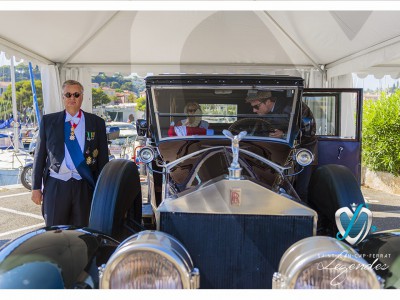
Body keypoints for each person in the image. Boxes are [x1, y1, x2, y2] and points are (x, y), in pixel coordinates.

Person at [31, 80, 109, 227]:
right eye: (68, 94)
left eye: (76, 94)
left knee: (84, 233)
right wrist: (36, 187)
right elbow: (39, 156)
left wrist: (103, 191)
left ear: (82, 97)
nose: (72, 98)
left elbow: (103, 159)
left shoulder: (97, 122)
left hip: (84, 185)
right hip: (56, 185)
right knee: (55, 232)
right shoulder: (49, 121)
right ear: (63, 97)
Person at [246, 90, 318, 203]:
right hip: (273, 151)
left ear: (269, 102)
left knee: (300, 188)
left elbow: (309, 131)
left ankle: (301, 212)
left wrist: (284, 135)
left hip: (299, 151)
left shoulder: (295, 108)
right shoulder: (262, 115)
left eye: (256, 106)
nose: (254, 110)